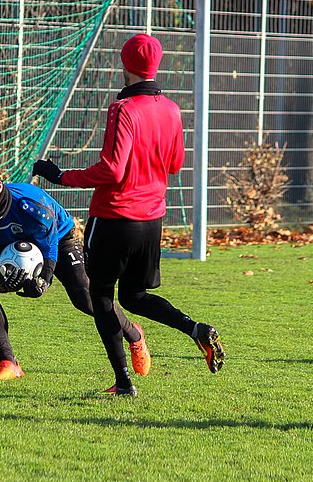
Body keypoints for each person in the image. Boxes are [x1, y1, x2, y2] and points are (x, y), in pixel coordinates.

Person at [32, 33, 225, 397]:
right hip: (152, 220)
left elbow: (112, 170)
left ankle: (123, 383)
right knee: (135, 296)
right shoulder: (172, 109)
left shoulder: (123, 109)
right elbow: (175, 164)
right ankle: (195, 328)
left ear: (125, 65)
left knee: (102, 297)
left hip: (115, 218)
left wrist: (60, 176)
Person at [0, 161, 150, 381]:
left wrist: (43, 281)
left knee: (86, 297)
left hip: (58, 239)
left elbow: (49, 246)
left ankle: (134, 335)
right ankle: (9, 363)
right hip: (9, 247)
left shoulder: (30, 204)